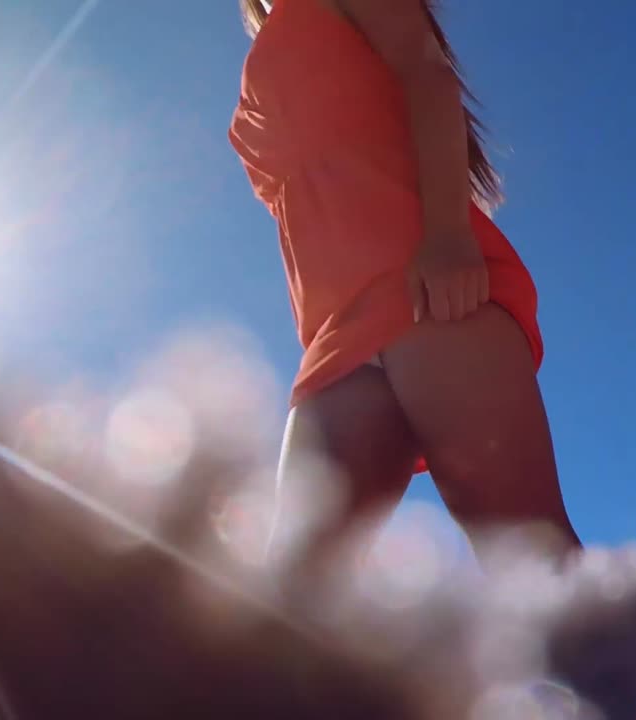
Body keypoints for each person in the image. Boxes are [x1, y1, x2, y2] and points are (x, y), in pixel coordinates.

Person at [227, 0, 582, 586]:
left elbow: (428, 74)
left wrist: (446, 236)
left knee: (529, 557)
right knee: (292, 588)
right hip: (336, 331)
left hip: (426, 285)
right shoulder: (268, 48)